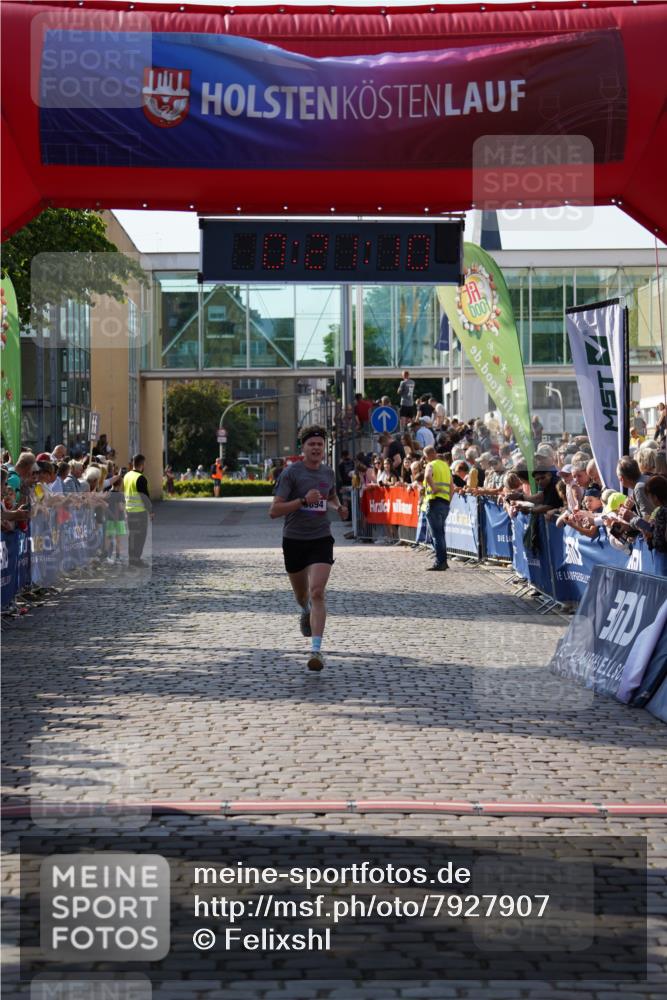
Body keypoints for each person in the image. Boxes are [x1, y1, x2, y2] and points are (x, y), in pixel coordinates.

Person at [269, 426, 348, 672]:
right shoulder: (291, 474)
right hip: (294, 540)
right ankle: (304, 611)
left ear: (324, 449)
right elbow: (274, 510)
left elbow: (331, 496)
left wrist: (338, 508)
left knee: (317, 592)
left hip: (320, 538)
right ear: (302, 448)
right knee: (302, 596)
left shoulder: (328, 473)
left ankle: (316, 651)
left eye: (320, 445)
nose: (316, 448)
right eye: (311, 444)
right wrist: (303, 501)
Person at [422, 445, 452, 571]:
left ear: (427, 455)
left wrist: (434, 489)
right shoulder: (445, 466)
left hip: (434, 502)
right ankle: (443, 561)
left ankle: (440, 562)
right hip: (444, 503)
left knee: (436, 534)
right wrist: (448, 500)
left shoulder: (430, 465)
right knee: (441, 533)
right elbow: (452, 486)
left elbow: (428, 477)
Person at [123, 453, 152, 568]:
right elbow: (144, 496)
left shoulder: (127, 476)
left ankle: (131, 559)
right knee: (140, 536)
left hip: (129, 510)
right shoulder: (140, 478)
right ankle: (137, 559)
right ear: (142, 464)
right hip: (140, 511)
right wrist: (150, 510)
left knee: (132, 536)